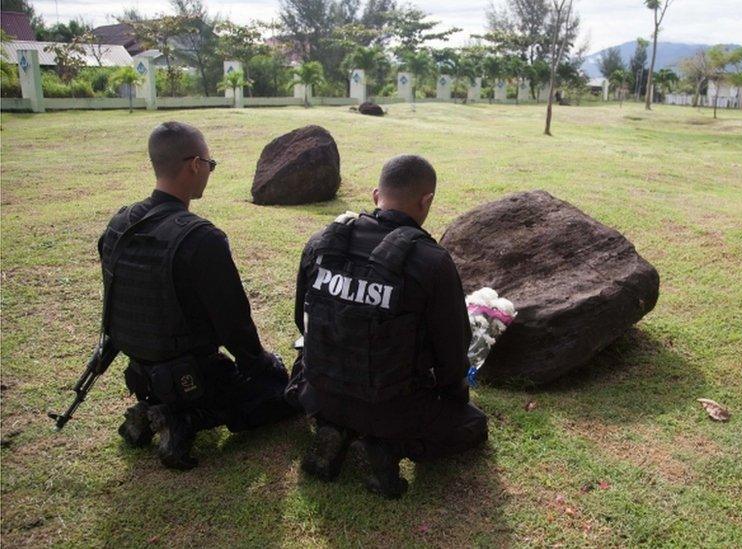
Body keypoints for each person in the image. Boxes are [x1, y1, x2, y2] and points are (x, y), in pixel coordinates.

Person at [289, 154, 488, 499]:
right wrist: (454, 399)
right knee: (473, 424)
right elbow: (453, 354)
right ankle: (385, 446)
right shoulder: (432, 262)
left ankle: (334, 426)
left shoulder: (322, 242)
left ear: (375, 195)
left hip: (320, 391)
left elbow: (300, 323)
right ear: (427, 201)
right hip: (392, 405)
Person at [102, 121, 295, 470]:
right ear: (194, 165)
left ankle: (150, 409)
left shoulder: (121, 223)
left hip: (139, 363)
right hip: (191, 371)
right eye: (210, 164)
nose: (209, 171)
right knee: (281, 393)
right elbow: (234, 324)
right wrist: (262, 366)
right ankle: (184, 421)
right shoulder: (200, 239)